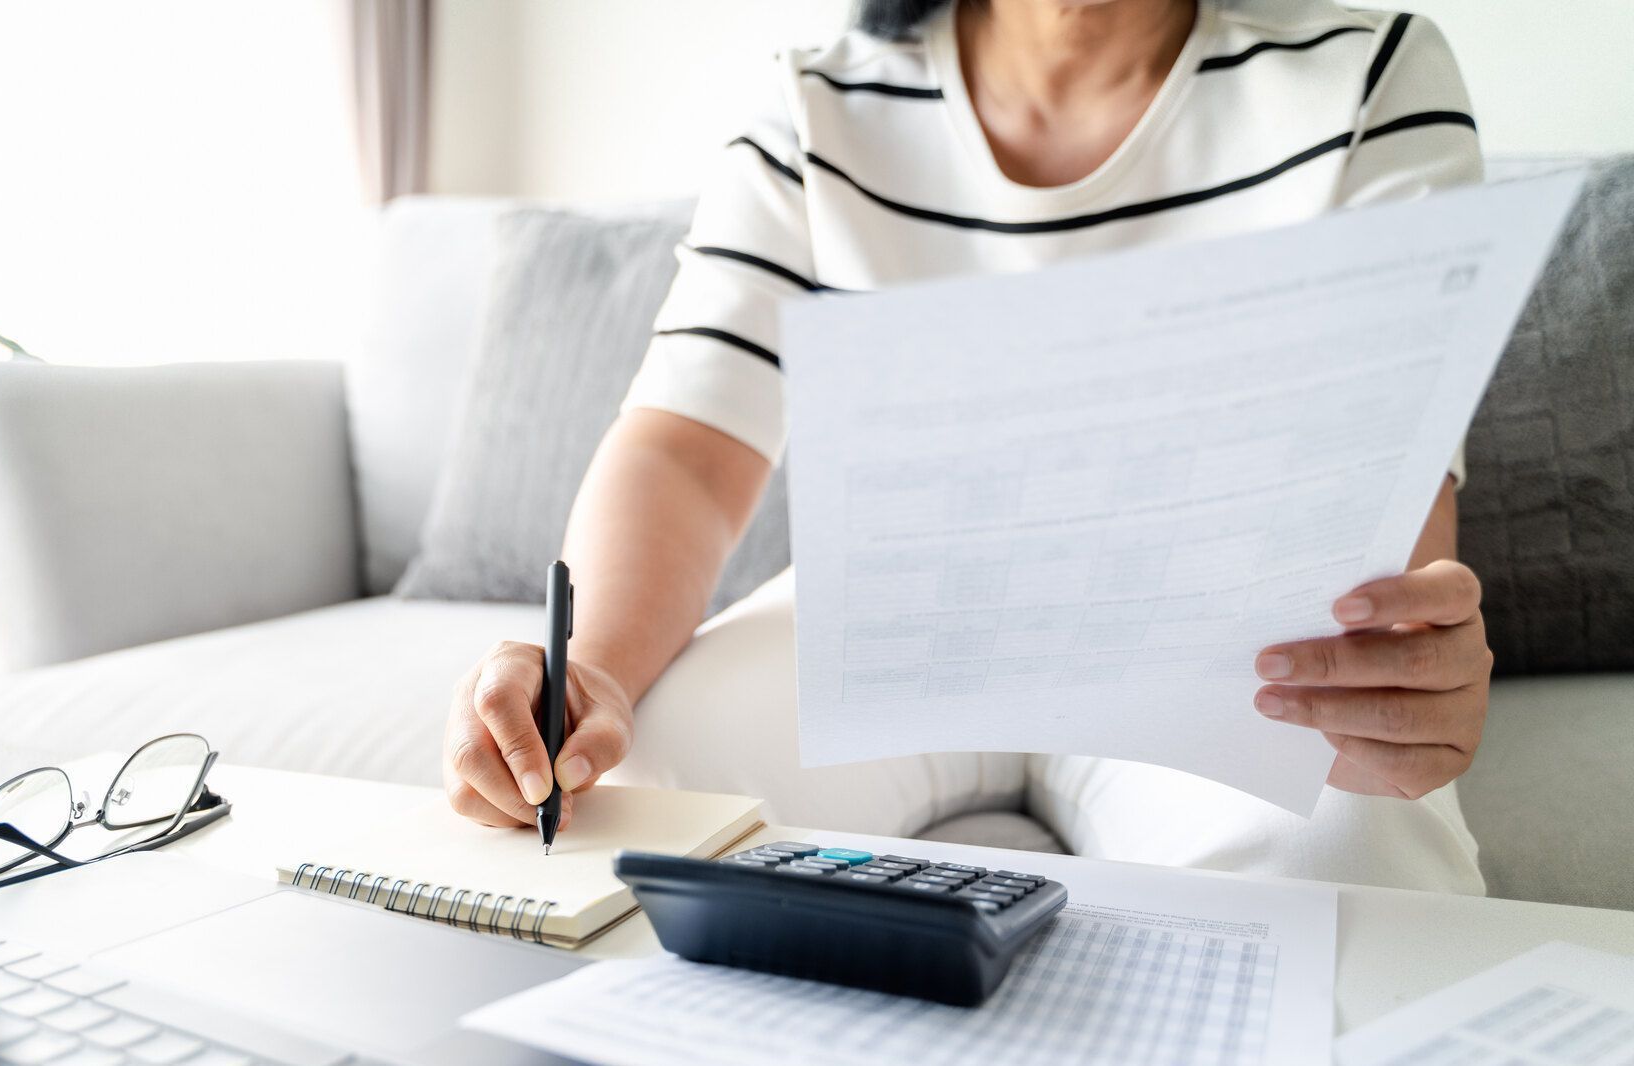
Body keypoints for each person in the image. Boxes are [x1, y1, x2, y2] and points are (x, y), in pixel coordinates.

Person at [441, 0, 1492, 893]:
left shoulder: (1369, 71)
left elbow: (1387, 475)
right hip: (886, 621)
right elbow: (683, 445)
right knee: (623, 790)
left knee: (1351, 832)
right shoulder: (815, 107)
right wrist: (600, 675)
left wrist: (1396, 670)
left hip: (1218, 649)